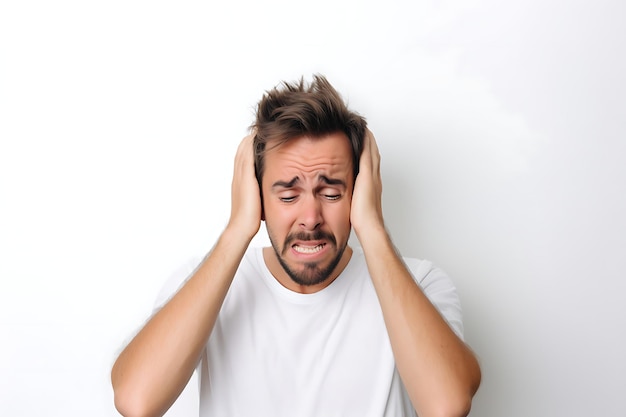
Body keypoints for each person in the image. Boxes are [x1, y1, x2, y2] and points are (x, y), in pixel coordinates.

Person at [111, 75, 481, 417]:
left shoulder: (422, 283)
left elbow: (446, 406)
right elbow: (136, 401)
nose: (310, 217)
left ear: (360, 190)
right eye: (288, 195)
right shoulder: (205, 285)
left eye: (332, 192)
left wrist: (373, 227)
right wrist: (237, 228)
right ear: (256, 194)